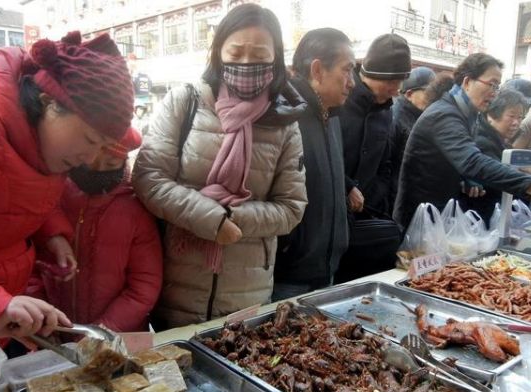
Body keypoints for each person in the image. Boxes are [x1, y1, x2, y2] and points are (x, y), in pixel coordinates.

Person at [132, 3, 307, 328]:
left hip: (248, 297)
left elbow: (292, 208)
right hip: (175, 289)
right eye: (236, 52)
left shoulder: (284, 123)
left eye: (259, 54)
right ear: (218, 51)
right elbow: (148, 178)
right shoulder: (184, 102)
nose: (246, 62)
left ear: (275, 57)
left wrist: (234, 218)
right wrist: (211, 220)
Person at [0, 31, 135, 343]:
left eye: (103, 147)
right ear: (48, 102)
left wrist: (53, 235)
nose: (89, 158)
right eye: (89, 139)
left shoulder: (42, 145)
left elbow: (17, 193)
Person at [394, 53, 531, 230]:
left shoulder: (465, 114)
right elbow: (471, 161)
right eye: (491, 84)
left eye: (497, 86)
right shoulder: (444, 114)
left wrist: (466, 178)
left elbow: (458, 160)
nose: (494, 94)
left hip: (440, 216)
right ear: (467, 82)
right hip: (420, 219)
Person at [35, 128, 162, 332]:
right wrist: (40, 318)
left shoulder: (136, 209)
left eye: (111, 164)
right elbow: (29, 264)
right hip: (53, 333)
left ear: (124, 163)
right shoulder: (53, 197)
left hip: (116, 337)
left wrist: (102, 331)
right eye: (90, 161)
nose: (98, 169)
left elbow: (144, 286)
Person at [273, 28, 354, 301]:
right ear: (318, 70)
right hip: (290, 277)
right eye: (347, 70)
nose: (352, 82)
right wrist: (291, 247)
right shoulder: (285, 116)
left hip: (326, 271)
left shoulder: (331, 116)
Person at [462, 89, 531, 224]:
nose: (516, 123)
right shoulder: (481, 143)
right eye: (512, 116)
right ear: (491, 115)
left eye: (520, 117)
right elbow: (504, 179)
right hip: (477, 222)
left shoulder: (500, 142)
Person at [341, 33, 411, 217]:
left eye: (400, 82)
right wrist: (347, 187)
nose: (396, 90)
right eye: (391, 81)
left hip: (366, 211)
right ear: (371, 74)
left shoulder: (386, 111)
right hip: (330, 210)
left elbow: (385, 164)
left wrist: (377, 196)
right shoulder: (339, 101)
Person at [392, 66, 436, 176]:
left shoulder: (427, 116)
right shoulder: (395, 118)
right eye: (429, 93)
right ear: (409, 94)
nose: (434, 98)